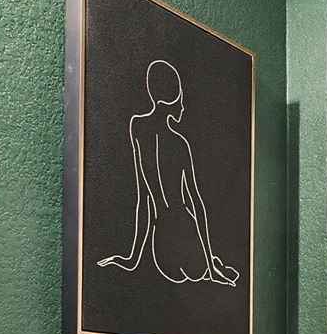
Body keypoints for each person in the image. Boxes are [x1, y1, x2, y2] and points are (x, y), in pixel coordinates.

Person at [97, 58, 240, 286]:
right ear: (175, 97)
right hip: (186, 232)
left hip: (162, 249)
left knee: (194, 270)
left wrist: (133, 258)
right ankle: (212, 264)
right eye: (181, 97)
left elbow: (144, 198)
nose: (183, 105)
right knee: (201, 270)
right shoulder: (179, 143)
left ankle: (212, 264)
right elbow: (196, 202)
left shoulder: (137, 128)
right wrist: (209, 265)